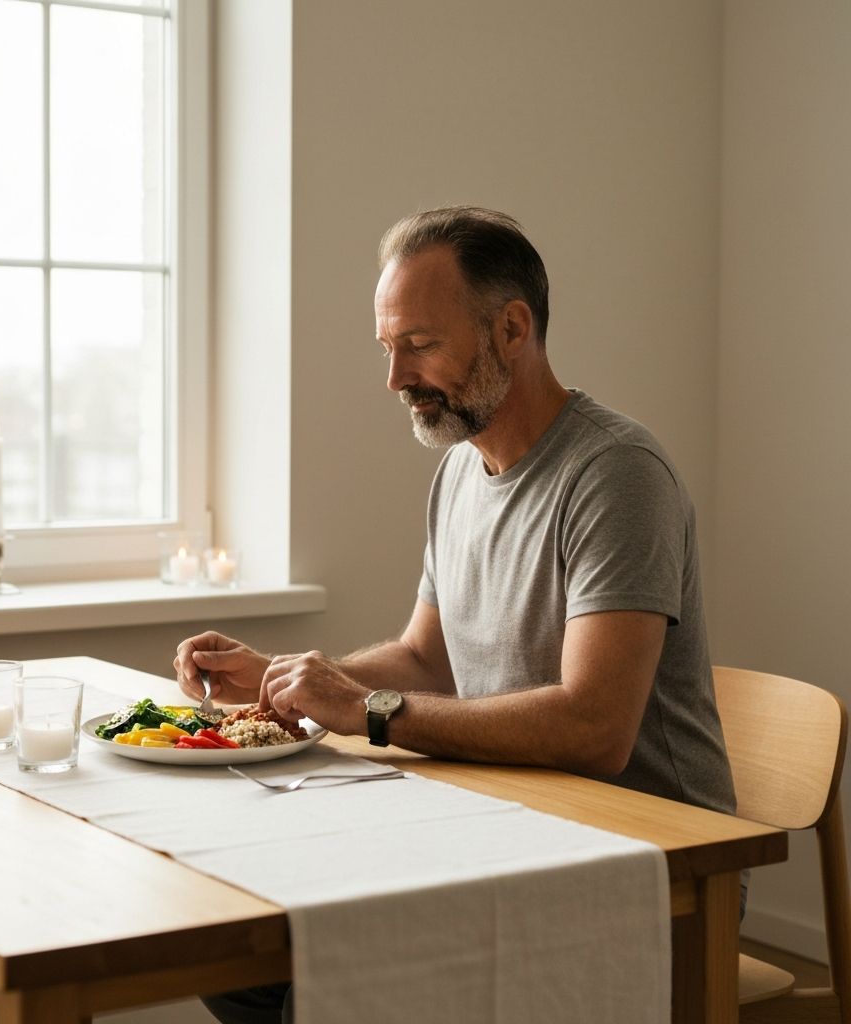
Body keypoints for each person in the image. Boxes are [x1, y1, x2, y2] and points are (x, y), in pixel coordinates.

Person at [175, 206, 736, 1024]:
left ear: (512, 329)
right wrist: (284, 679)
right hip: (509, 830)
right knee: (236, 961)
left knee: (334, 989)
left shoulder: (617, 474)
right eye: (388, 346)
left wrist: (368, 711)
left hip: (653, 872)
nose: (395, 377)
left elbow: (595, 728)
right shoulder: (460, 473)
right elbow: (425, 660)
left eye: (420, 343)